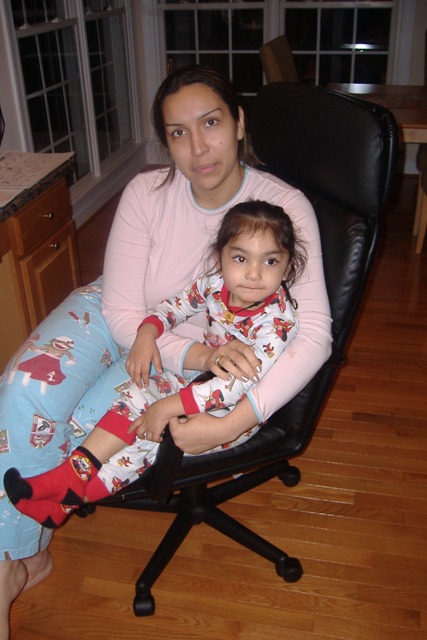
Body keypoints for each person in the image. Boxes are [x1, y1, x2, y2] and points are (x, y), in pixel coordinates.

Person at [0, 64, 332, 639]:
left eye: (211, 123)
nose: (198, 148)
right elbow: (122, 310)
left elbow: (315, 334)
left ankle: (25, 551)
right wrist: (178, 348)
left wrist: (236, 418)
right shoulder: (145, 192)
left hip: (202, 342)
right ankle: (14, 557)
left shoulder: (284, 207)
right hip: (127, 314)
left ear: (239, 122)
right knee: (22, 391)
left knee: (83, 425)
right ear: (166, 142)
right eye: (179, 132)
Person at [4, 199, 306, 528]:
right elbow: (175, 306)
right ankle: (70, 479)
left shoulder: (278, 322)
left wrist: (166, 407)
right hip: (201, 380)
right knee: (138, 393)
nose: (254, 273)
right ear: (220, 257)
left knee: (149, 433)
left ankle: (70, 498)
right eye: (240, 258)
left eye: (270, 261)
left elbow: (234, 387)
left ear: (287, 266)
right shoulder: (215, 282)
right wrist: (148, 330)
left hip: (234, 410)